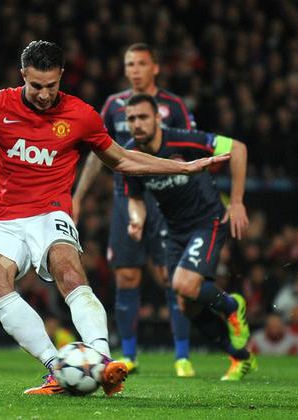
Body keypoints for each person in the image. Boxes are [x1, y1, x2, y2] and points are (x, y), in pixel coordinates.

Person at [0, 40, 227, 395]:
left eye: (51, 86)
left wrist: (187, 166)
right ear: (23, 75)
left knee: (67, 266)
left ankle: (102, 362)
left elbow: (122, 159)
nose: (43, 94)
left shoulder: (81, 115)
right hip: (6, 215)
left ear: (61, 77)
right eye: (36, 85)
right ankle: (56, 368)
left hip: (51, 211)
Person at [72, 43, 196, 376]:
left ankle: (182, 356)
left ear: (155, 67)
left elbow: (190, 151)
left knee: (171, 277)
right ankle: (128, 355)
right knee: (127, 275)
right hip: (127, 199)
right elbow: (98, 155)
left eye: (141, 63)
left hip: (167, 202)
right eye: (130, 64)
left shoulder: (174, 106)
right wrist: (78, 196)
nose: (135, 69)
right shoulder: (114, 105)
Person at [122, 93, 255, 380]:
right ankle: (240, 357)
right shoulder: (130, 155)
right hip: (176, 230)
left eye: (143, 117)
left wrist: (236, 201)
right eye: (131, 119)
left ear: (158, 118)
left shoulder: (183, 140)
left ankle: (233, 306)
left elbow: (238, 148)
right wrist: (136, 220)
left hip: (207, 221)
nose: (137, 124)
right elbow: (136, 199)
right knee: (186, 303)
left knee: (183, 283)